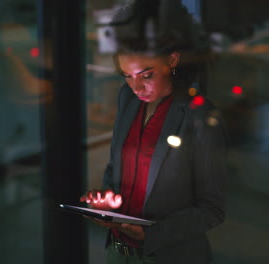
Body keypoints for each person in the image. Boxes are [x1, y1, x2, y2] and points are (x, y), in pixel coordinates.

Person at [80, 1, 228, 263]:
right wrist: (107, 202)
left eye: (146, 75)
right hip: (117, 253)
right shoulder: (127, 98)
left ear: (172, 60)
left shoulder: (200, 116)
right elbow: (116, 169)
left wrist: (153, 232)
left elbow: (212, 209)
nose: (136, 87)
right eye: (127, 75)